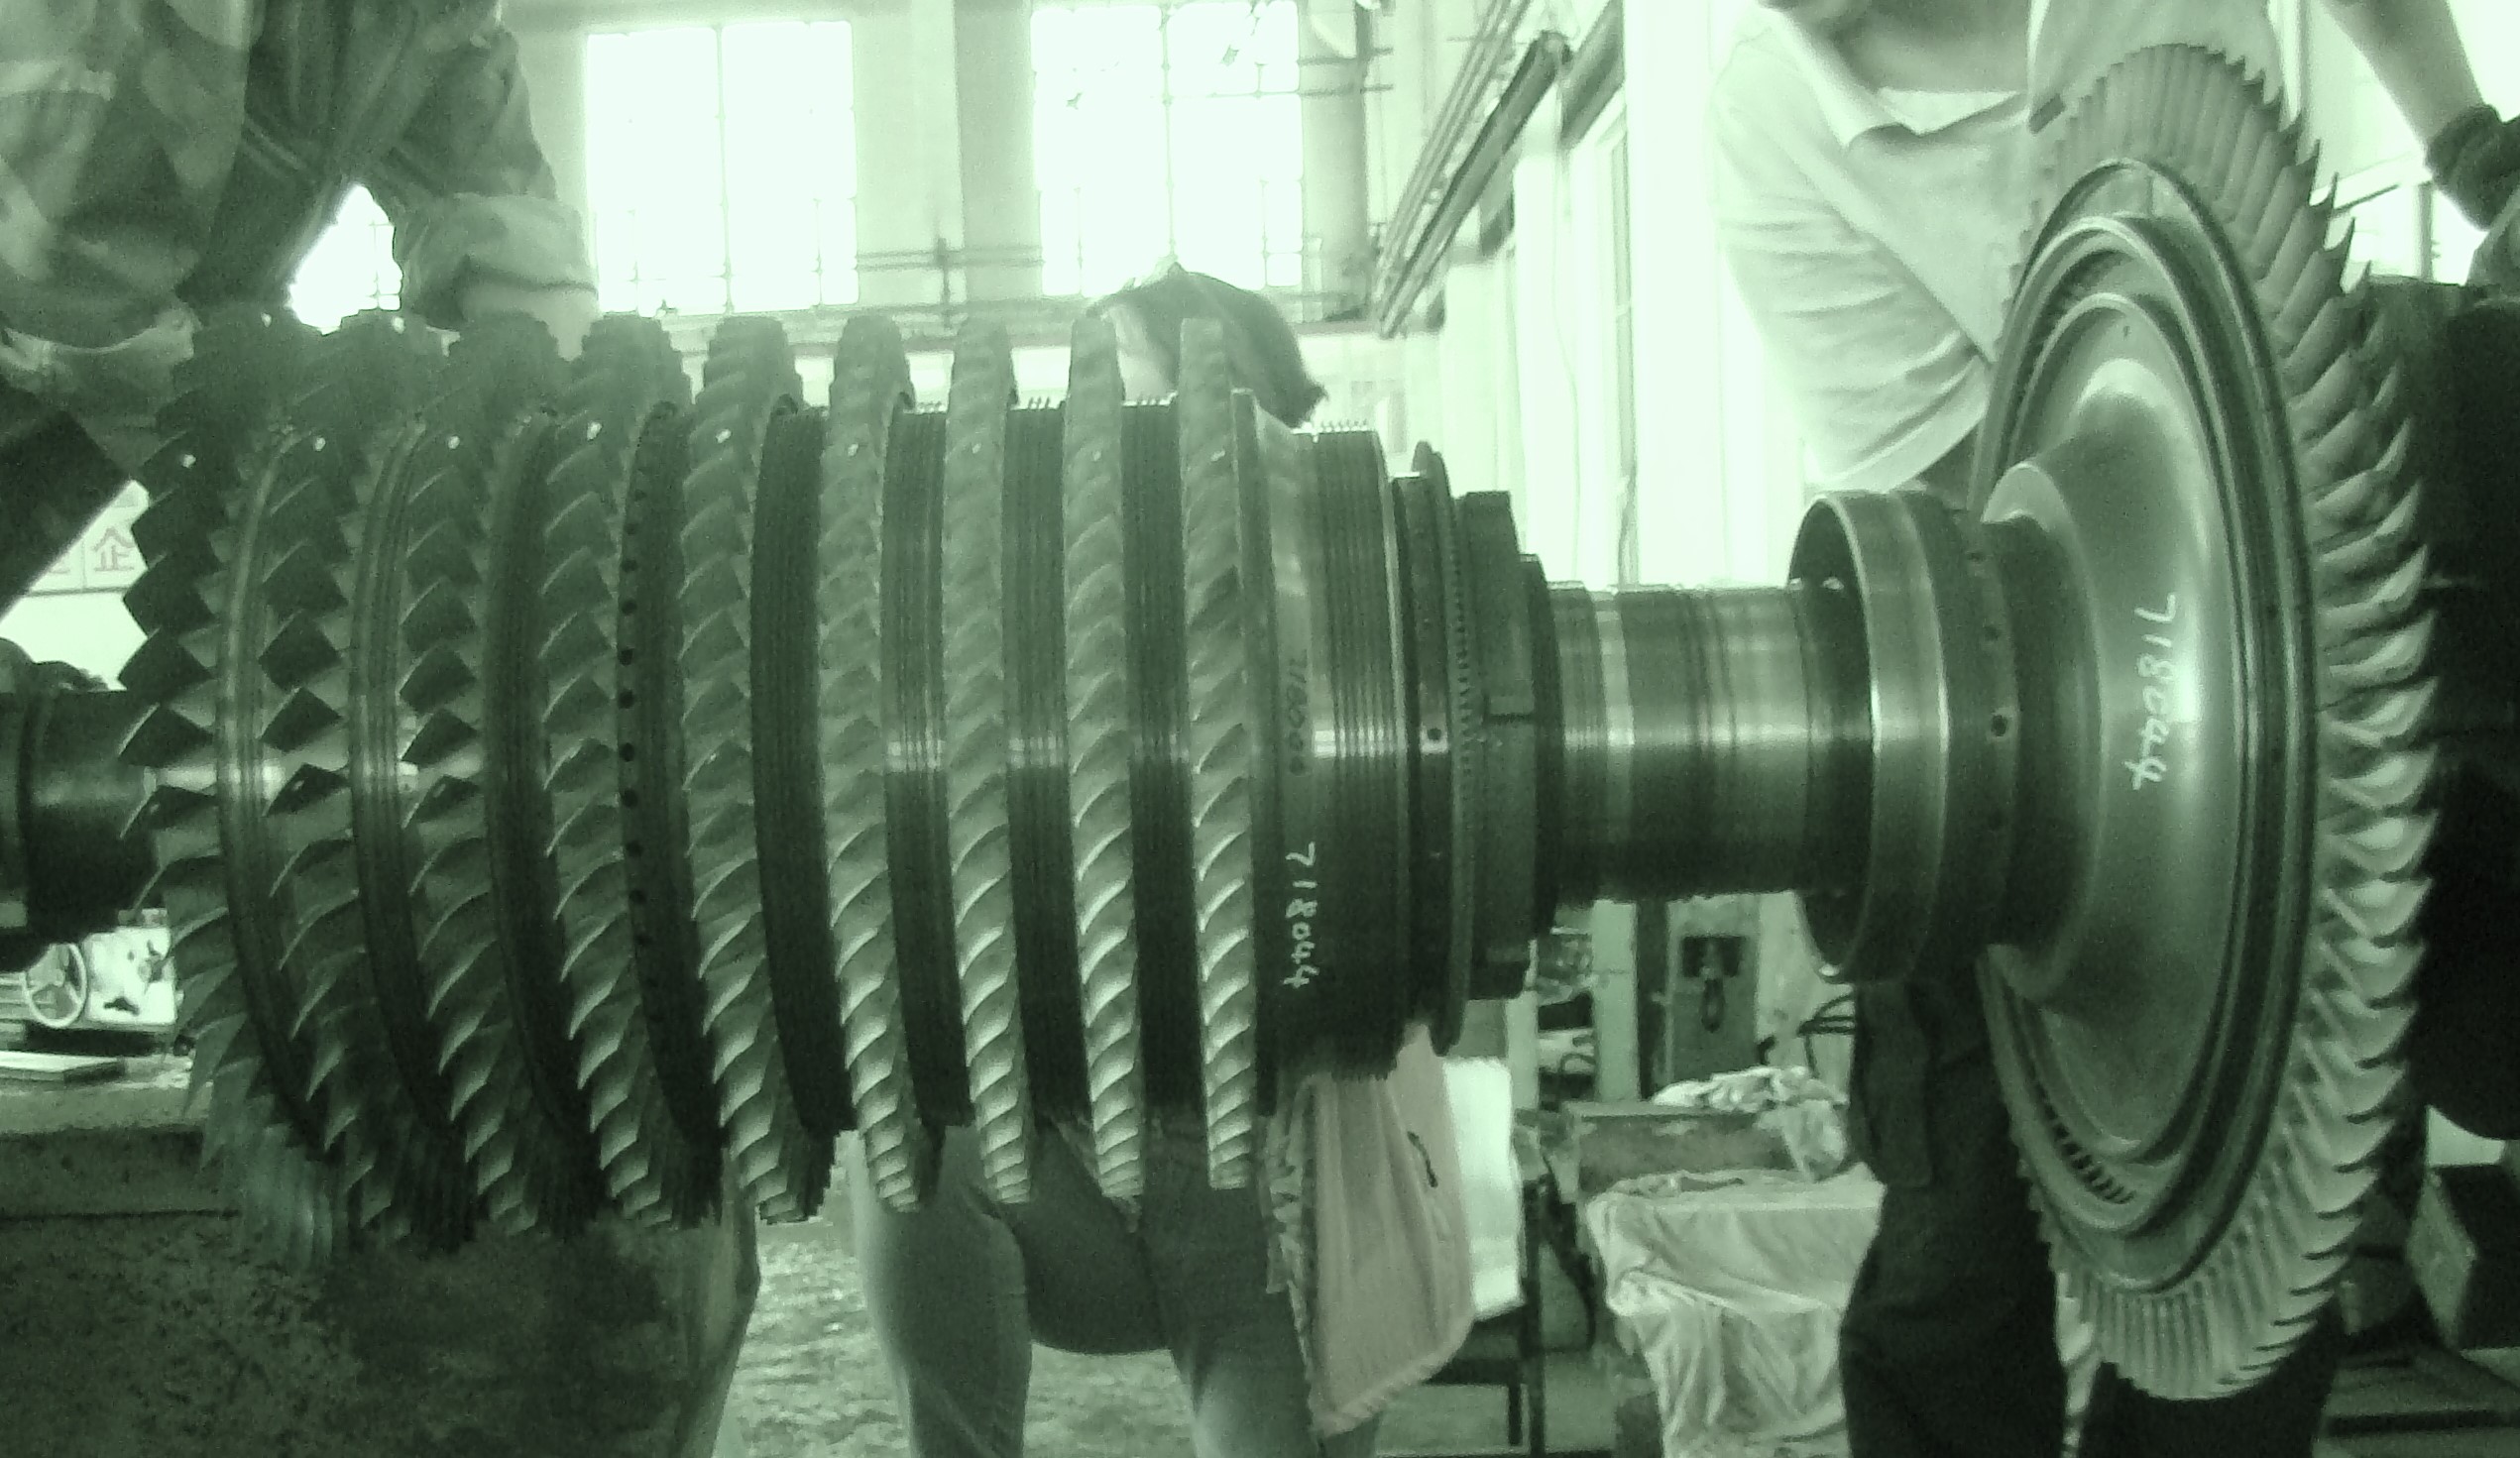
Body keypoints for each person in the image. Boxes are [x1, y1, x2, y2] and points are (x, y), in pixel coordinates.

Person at [1706, 2, 2515, 1455]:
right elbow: (1994, 528)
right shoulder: (1774, 116)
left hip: (2318, 724)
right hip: (1978, 726)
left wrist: (2477, 160)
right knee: (1956, 1257)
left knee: (2253, 1271)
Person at [843, 264, 1475, 1458]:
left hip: (1269, 1185)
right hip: (1082, 1168)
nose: (1099, 439)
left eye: (1132, 397)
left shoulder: (1349, 622)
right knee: (905, 1149)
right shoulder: (1046, 628)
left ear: (1236, 406)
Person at [0, 0, 601, 601]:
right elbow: (72, 298)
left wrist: (590, 452)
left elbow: (516, 256)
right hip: (70, 356)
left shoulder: (435, 15)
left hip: (87, 399)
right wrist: (341, 488)